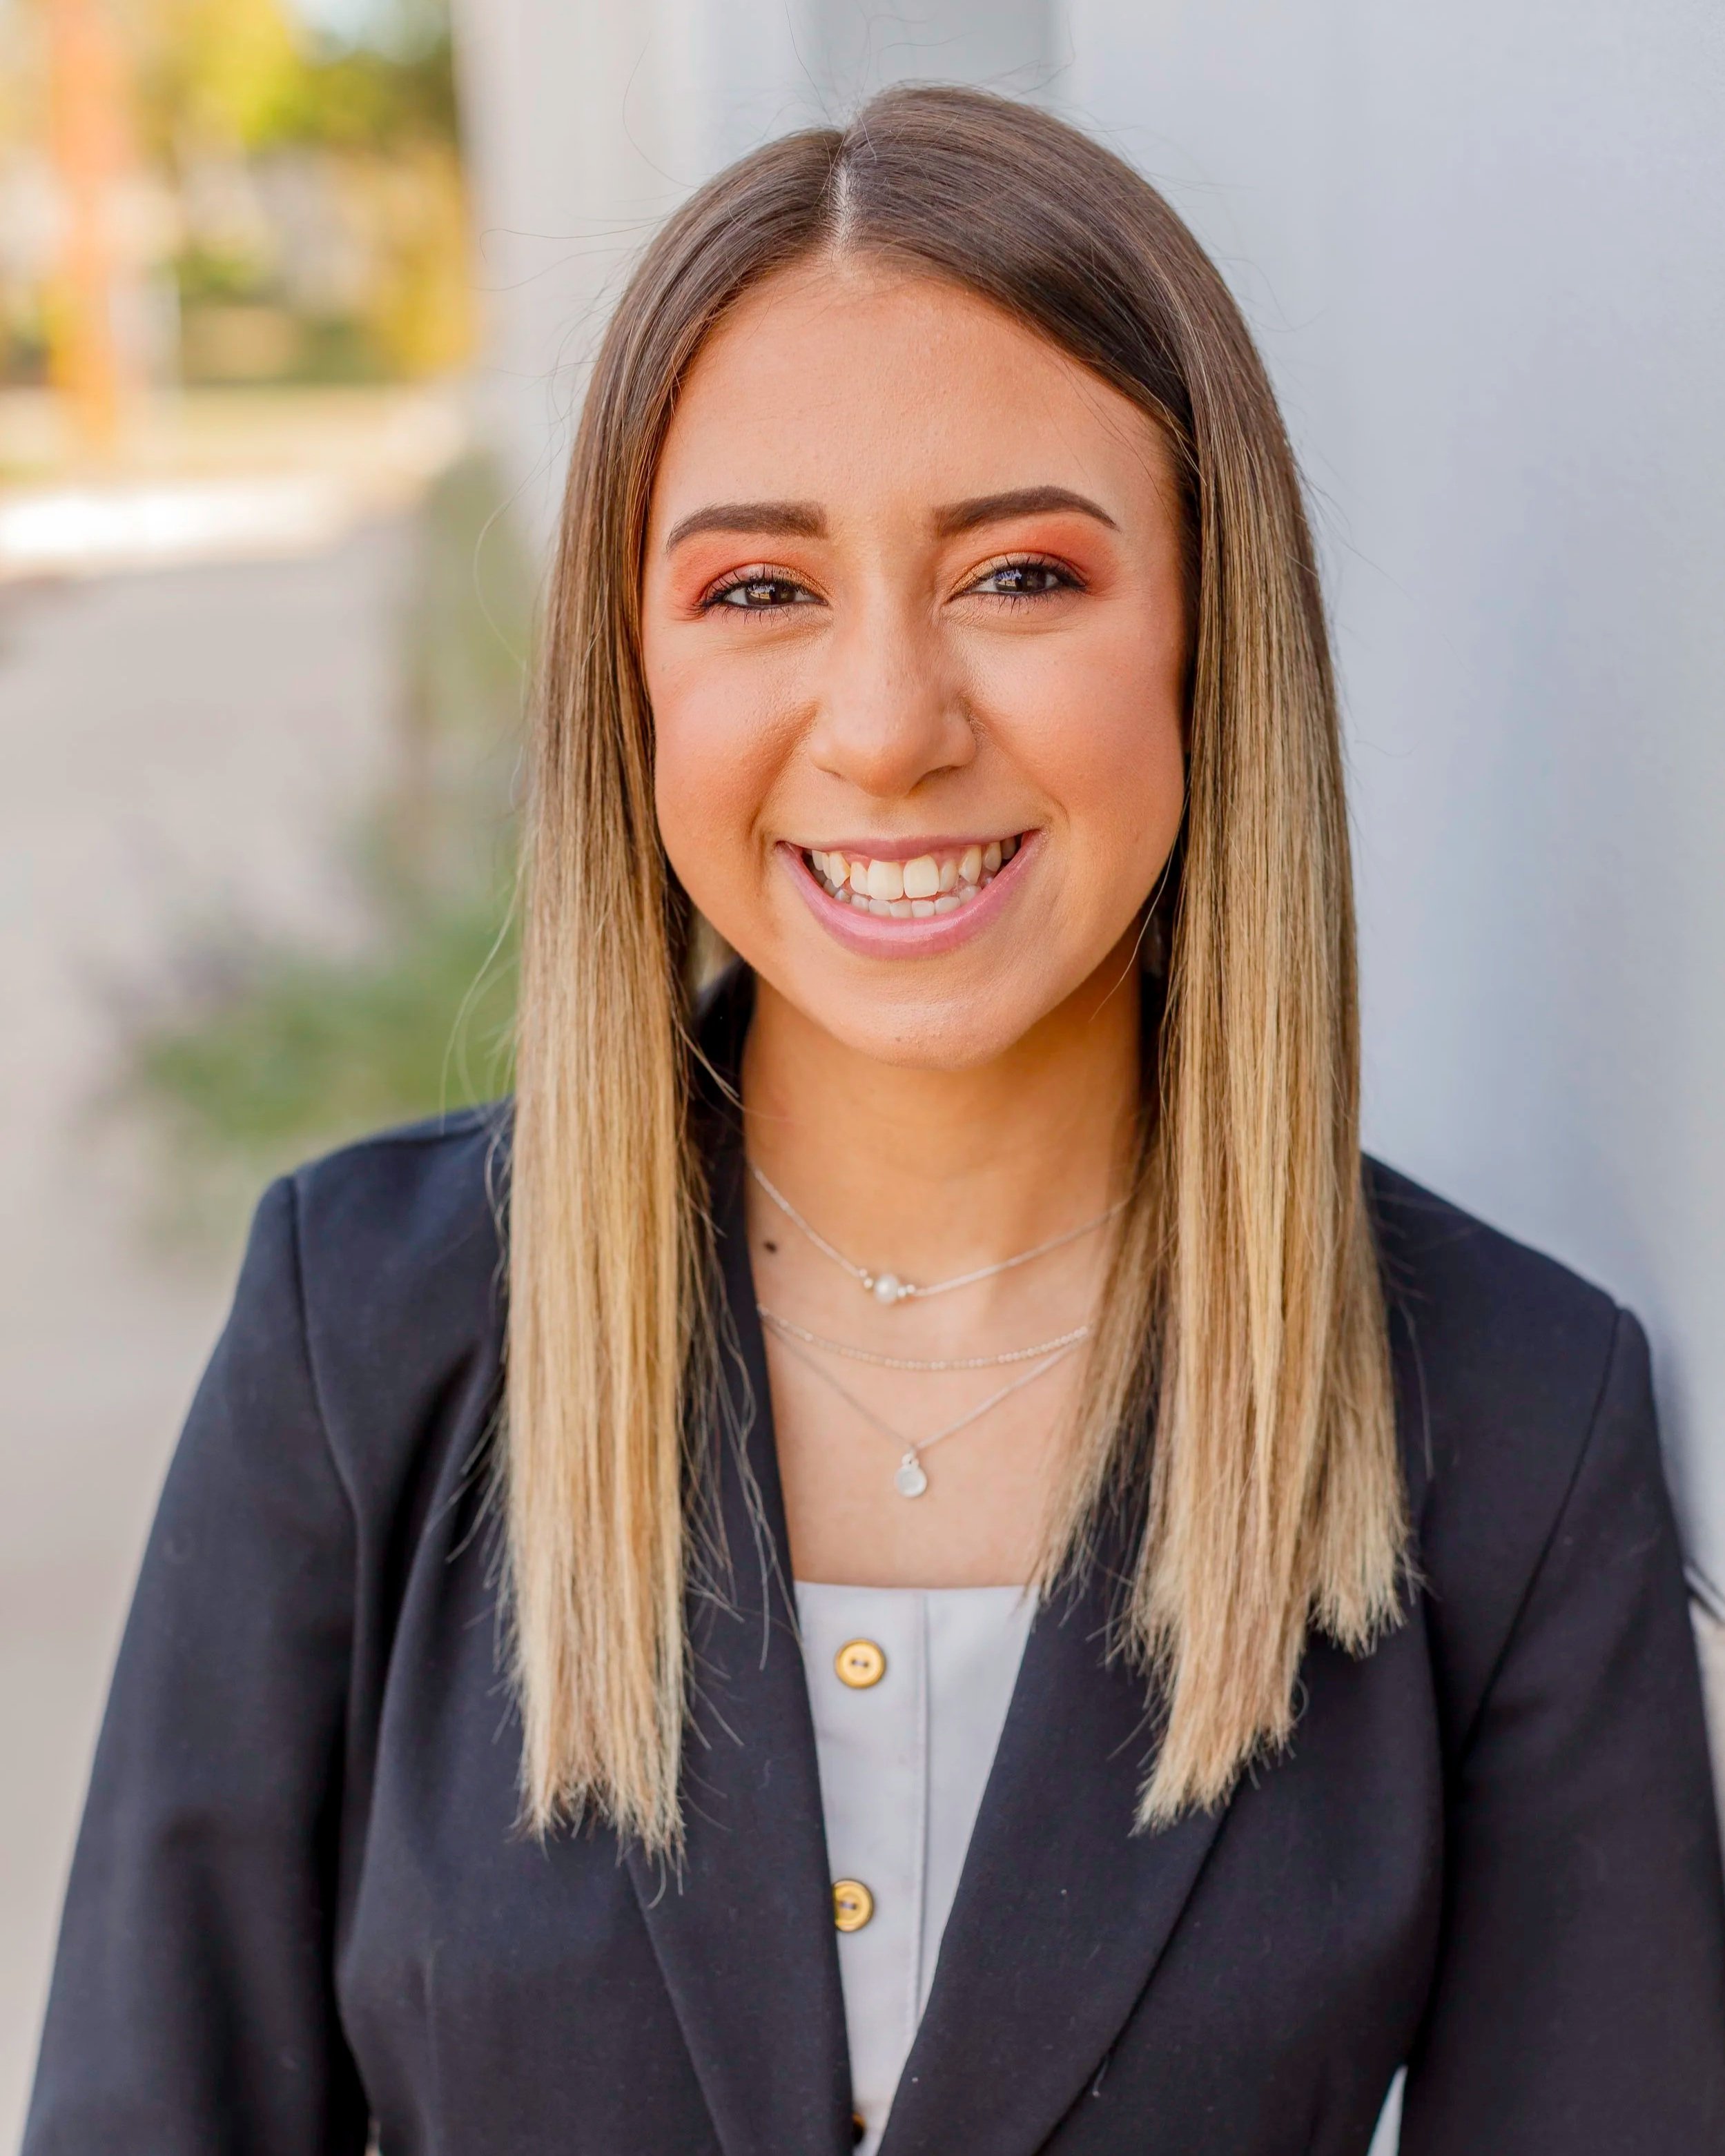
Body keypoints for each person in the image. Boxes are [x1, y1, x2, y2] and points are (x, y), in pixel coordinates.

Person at [25, 86, 1725, 2156]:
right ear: (628, 677)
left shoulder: (1506, 1423)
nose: (889, 725)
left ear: (1205, 639)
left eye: (1019, 573)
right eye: (759, 591)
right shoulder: (360, 1336)